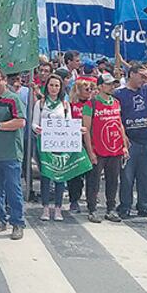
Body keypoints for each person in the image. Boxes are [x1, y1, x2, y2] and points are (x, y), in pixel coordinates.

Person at [114, 62, 147, 220]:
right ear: (131, 74)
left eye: (145, 77)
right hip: (130, 140)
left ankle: (145, 206)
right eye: (141, 76)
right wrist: (123, 138)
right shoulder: (119, 93)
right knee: (127, 177)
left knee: (145, 176)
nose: (143, 80)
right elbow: (116, 117)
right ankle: (125, 206)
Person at [0, 67, 27, 240]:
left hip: (11, 153)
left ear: (4, 80)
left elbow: (20, 122)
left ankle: (17, 222)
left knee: (13, 189)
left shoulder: (13, 99)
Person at [82, 73, 129, 224]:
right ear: (100, 86)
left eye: (113, 84)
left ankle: (111, 209)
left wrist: (124, 145)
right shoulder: (91, 105)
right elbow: (86, 130)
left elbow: (119, 124)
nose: (111, 87)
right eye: (108, 84)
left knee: (113, 180)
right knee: (94, 181)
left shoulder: (116, 102)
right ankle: (92, 209)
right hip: (98, 149)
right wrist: (90, 152)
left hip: (115, 148)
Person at [31, 74, 71, 222]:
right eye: (51, 85)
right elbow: (34, 123)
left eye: (56, 85)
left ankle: (58, 208)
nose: (54, 88)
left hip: (60, 144)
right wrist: (37, 129)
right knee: (46, 176)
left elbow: (69, 123)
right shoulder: (40, 104)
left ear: (60, 88)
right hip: (44, 144)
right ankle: (46, 208)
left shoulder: (65, 105)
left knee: (60, 176)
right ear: (47, 86)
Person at [66, 76, 95, 213]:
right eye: (86, 89)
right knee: (75, 174)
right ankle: (74, 200)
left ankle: (91, 198)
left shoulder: (92, 104)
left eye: (91, 89)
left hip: (90, 140)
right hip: (75, 141)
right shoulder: (71, 105)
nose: (89, 91)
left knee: (91, 172)